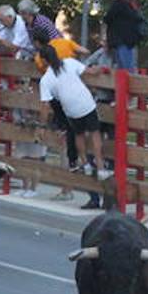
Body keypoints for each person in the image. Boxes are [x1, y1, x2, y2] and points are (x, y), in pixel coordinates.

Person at [36, 42, 110, 210]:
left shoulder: (46, 79)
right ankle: (99, 165)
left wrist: (42, 125)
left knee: (78, 135)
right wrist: (101, 70)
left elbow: (44, 106)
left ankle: (85, 162)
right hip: (86, 102)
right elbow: (89, 71)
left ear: (44, 61)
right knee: (95, 133)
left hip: (70, 109)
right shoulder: (69, 62)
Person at [101, 0, 142, 70]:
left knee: (126, 68)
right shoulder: (127, 4)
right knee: (123, 68)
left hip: (123, 41)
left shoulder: (119, 4)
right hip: (125, 41)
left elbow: (107, 19)